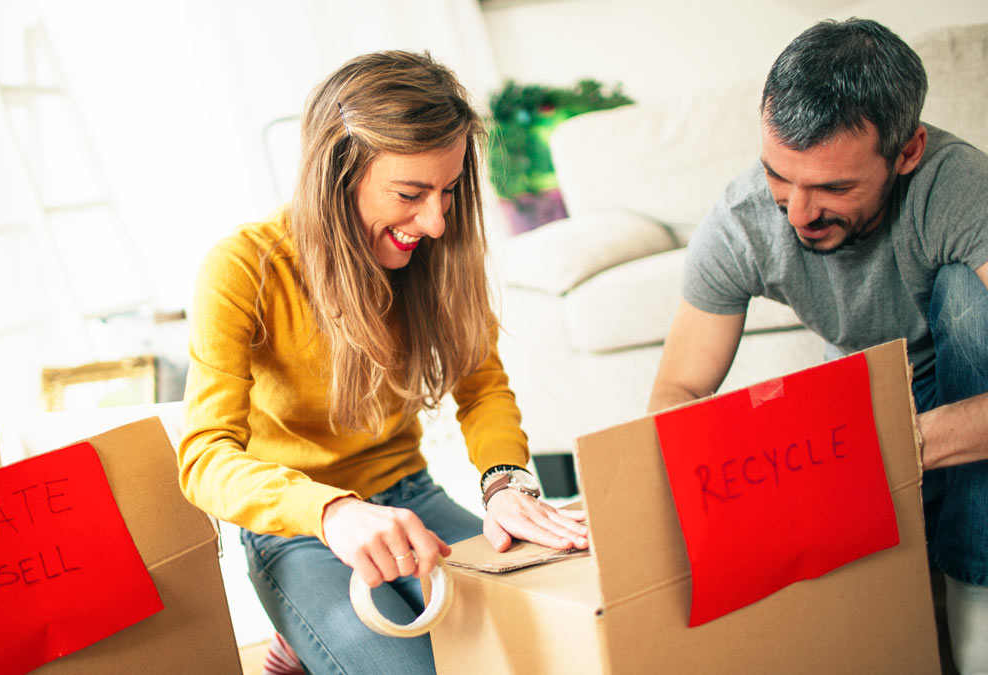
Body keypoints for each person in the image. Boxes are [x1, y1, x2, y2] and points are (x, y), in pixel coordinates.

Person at [177, 50, 589, 675]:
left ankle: (311, 640)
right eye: (410, 193)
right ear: (337, 174)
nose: (436, 221)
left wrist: (505, 483)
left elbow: (482, 388)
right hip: (301, 529)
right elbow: (204, 458)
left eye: (448, 191)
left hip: (411, 497)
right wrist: (333, 513)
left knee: (540, 638)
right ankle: (307, 629)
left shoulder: (439, 252)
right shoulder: (241, 267)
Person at [648, 18, 988, 673]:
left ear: (908, 151)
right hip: (880, 401)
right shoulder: (745, 218)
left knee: (968, 296)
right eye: (781, 176)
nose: (799, 212)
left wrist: (903, 443)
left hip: (956, 404)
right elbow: (678, 389)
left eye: (833, 187)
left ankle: (976, 602)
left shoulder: (958, 186)